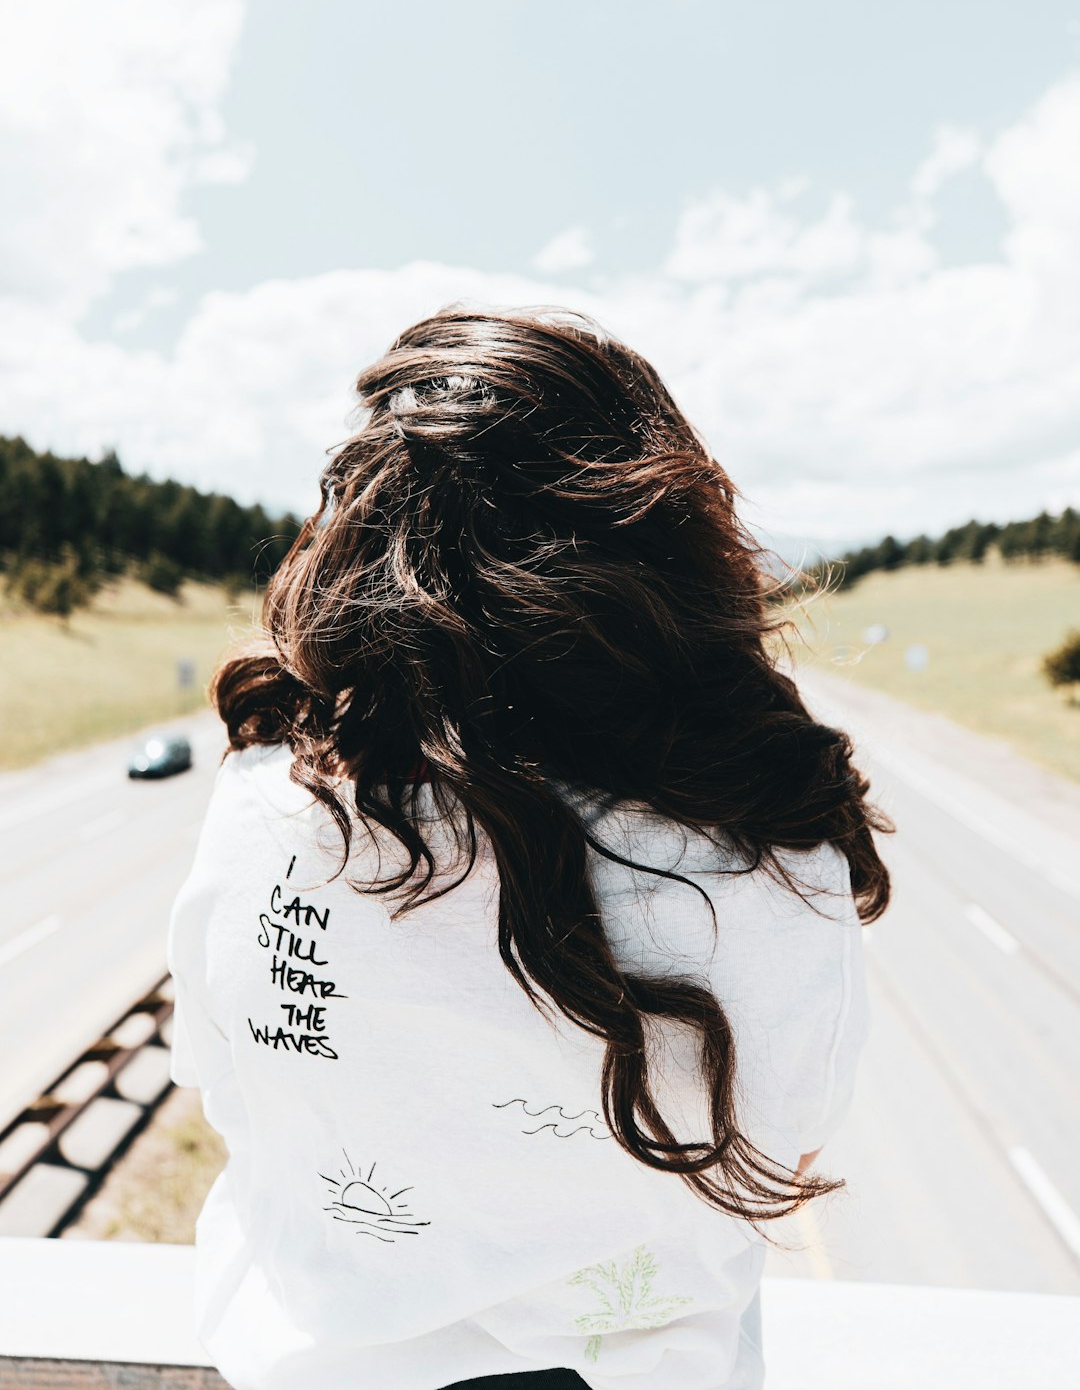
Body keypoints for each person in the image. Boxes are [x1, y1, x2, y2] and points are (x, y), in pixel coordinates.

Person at [167, 305, 892, 1390]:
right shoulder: (774, 851)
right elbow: (790, 1143)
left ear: (360, 548)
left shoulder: (272, 810)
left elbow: (221, 1084)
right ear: (680, 556)